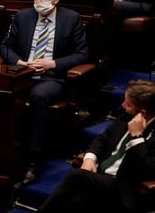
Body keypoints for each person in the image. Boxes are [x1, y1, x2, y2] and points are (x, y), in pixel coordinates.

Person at [0, 0, 89, 184]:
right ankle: (3, 156)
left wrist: (53, 63)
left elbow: (82, 54)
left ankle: (34, 159)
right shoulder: (22, 17)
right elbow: (4, 47)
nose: (38, 1)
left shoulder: (71, 18)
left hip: (51, 77)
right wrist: (21, 62)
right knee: (0, 93)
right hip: (22, 74)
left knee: (38, 95)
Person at [38, 79, 155, 213]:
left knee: (77, 177)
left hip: (124, 186)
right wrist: (89, 159)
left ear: (143, 112)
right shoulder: (127, 116)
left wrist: (137, 137)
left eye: (127, 104)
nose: (122, 106)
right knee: (71, 202)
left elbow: (149, 168)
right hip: (100, 179)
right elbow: (102, 139)